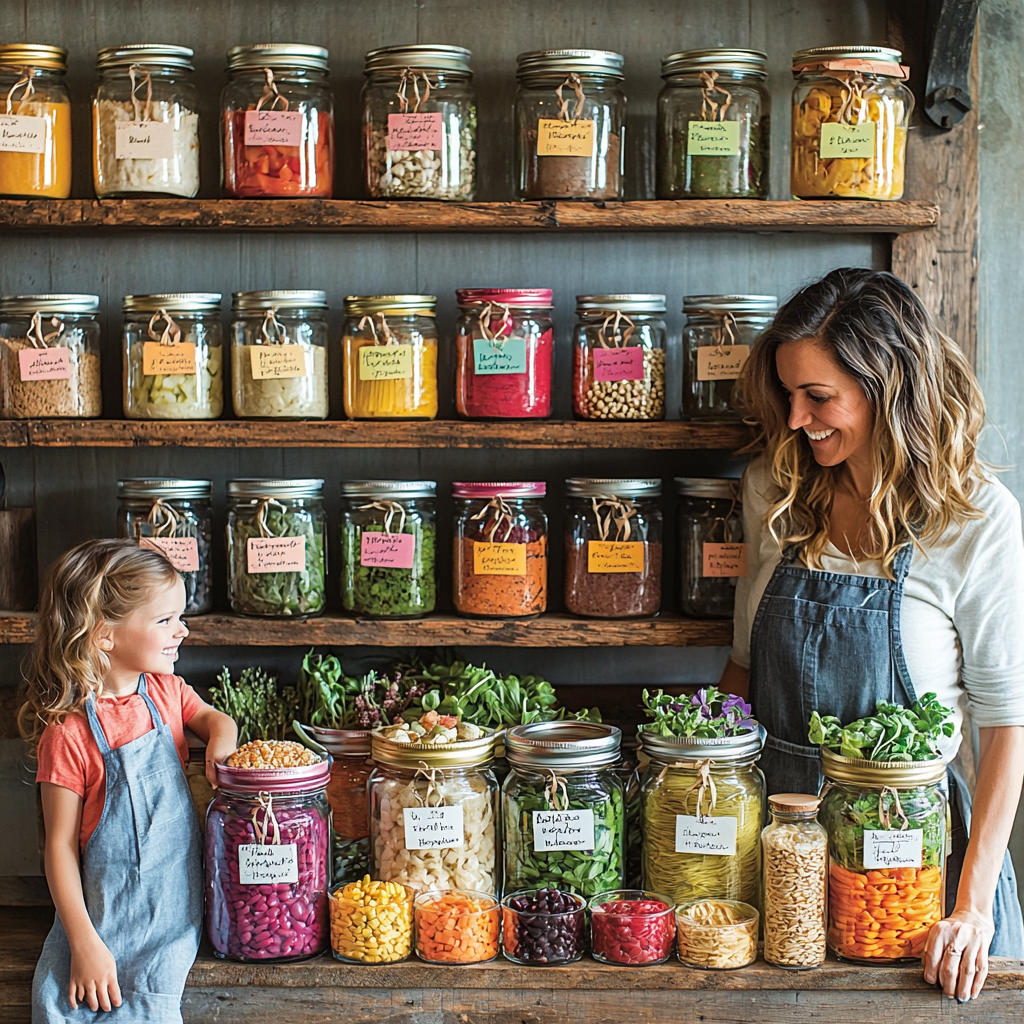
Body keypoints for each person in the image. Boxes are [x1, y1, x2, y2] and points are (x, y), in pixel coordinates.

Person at [721, 268, 1024, 1001]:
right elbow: (739, 673)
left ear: (890, 388)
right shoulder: (775, 487)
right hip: (776, 859)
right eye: (788, 395)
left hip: (908, 872)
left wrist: (971, 907)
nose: (796, 420)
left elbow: (1006, 723)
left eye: (819, 398)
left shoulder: (975, 519)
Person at [19, 540, 237, 1022]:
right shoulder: (68, 734)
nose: (181, 631)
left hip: (177, 917)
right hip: (107, 919)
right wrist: (84, 943)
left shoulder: (166, 691)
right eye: (164, 621)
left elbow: (217, 720)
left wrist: (220, 748)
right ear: (103, 635)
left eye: (179, 617)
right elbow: (58, 847)